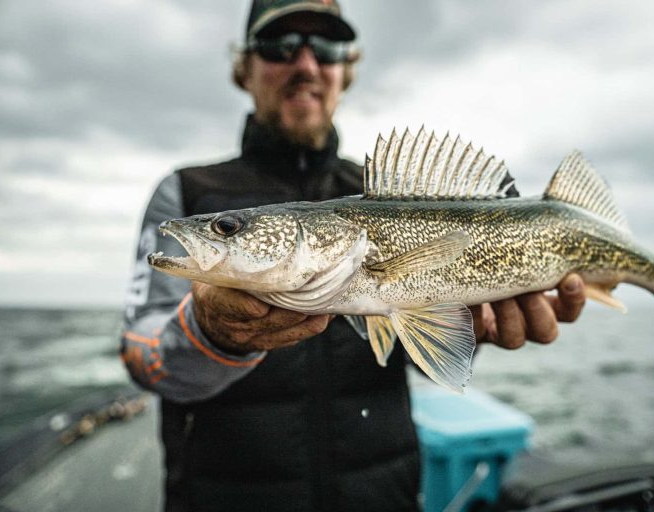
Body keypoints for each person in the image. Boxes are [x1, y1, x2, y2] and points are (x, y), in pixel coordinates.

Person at [121, 1, 586, 511]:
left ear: (346, 70)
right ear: (244, 67)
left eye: (326, 48)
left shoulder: (385, 195)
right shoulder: (185, 192)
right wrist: (209, 334)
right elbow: (142, 355)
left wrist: (475, 330)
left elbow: (428, 349)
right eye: (280, 46)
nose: (306, 65)